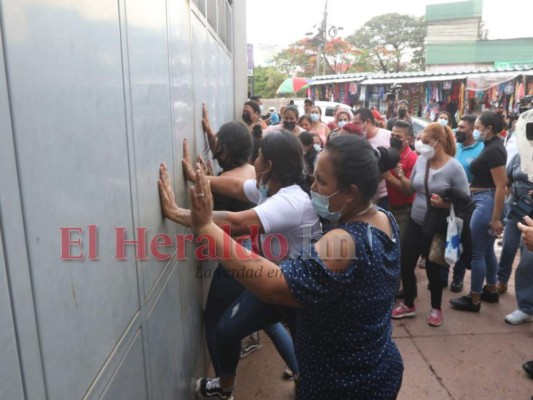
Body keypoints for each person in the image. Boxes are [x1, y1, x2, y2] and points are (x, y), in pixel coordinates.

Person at [189, 134, 403, 399]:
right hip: (377, 366)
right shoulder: (384, 218)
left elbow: (277, 286)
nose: (312, 187)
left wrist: (206, 228)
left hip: (345, 382)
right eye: (314, 177)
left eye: (322, 182)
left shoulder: (345, 240)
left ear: (351, 193)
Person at [392, 122, 470, 326]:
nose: (421, 145)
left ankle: (436, 308)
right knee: (406, 263)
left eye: (426, 142)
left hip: (437, 226)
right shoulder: (421, 161)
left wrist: (445, 204)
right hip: (416, 221)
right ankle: (409, 303)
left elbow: (465, 200)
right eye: (420, 141)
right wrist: (400, 177)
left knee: (433, 268)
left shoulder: (454, 167)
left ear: (439, 142)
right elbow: (412, 189)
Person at [450, 110, 507, 312]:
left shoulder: (494, 150)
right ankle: (490, 289)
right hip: (484, 200)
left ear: (489, 128)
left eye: (478, 128)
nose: (476, 131)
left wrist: (495, 218)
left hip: (486, 202)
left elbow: (501, 186)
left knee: (476, 253)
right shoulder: (491, 146)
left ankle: (474, 298)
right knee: (487, 250)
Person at [497, 154, 533, 297]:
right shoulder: (520, 155)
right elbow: (508, 178)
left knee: (528, 253)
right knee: (509, 244)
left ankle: (526, 299)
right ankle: (501, 280)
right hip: (516, 207)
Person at [353, 107, 392, 210]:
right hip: (364, 197)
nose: (356, 127)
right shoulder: (357, 140)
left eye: (357, 123)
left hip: (384, 195)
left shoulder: (388, 136)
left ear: (368, 122)